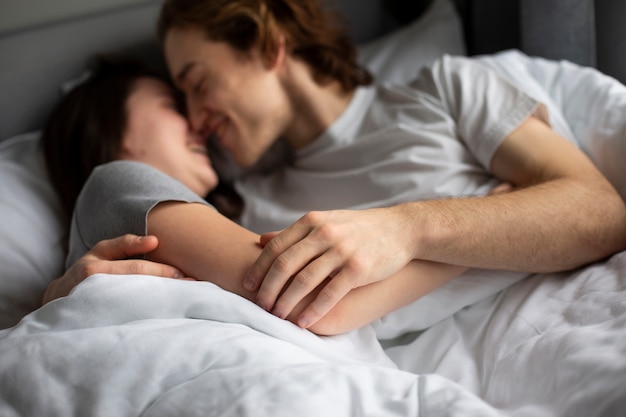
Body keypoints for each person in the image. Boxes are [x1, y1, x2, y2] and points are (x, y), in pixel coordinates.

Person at [60, 0, 626, 330]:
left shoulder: (451, 88)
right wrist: (497, 210)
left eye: (198, 83)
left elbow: (600, 211)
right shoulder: (248, 205)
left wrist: (408, 228)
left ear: (266, 44)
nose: (195, 117)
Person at [41, 55, 472, 335]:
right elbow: (314, 301)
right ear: (108, 128)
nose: (197, 123)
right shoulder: (114, 182)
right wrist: (476, 235)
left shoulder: (227, 209)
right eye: (173, 105)